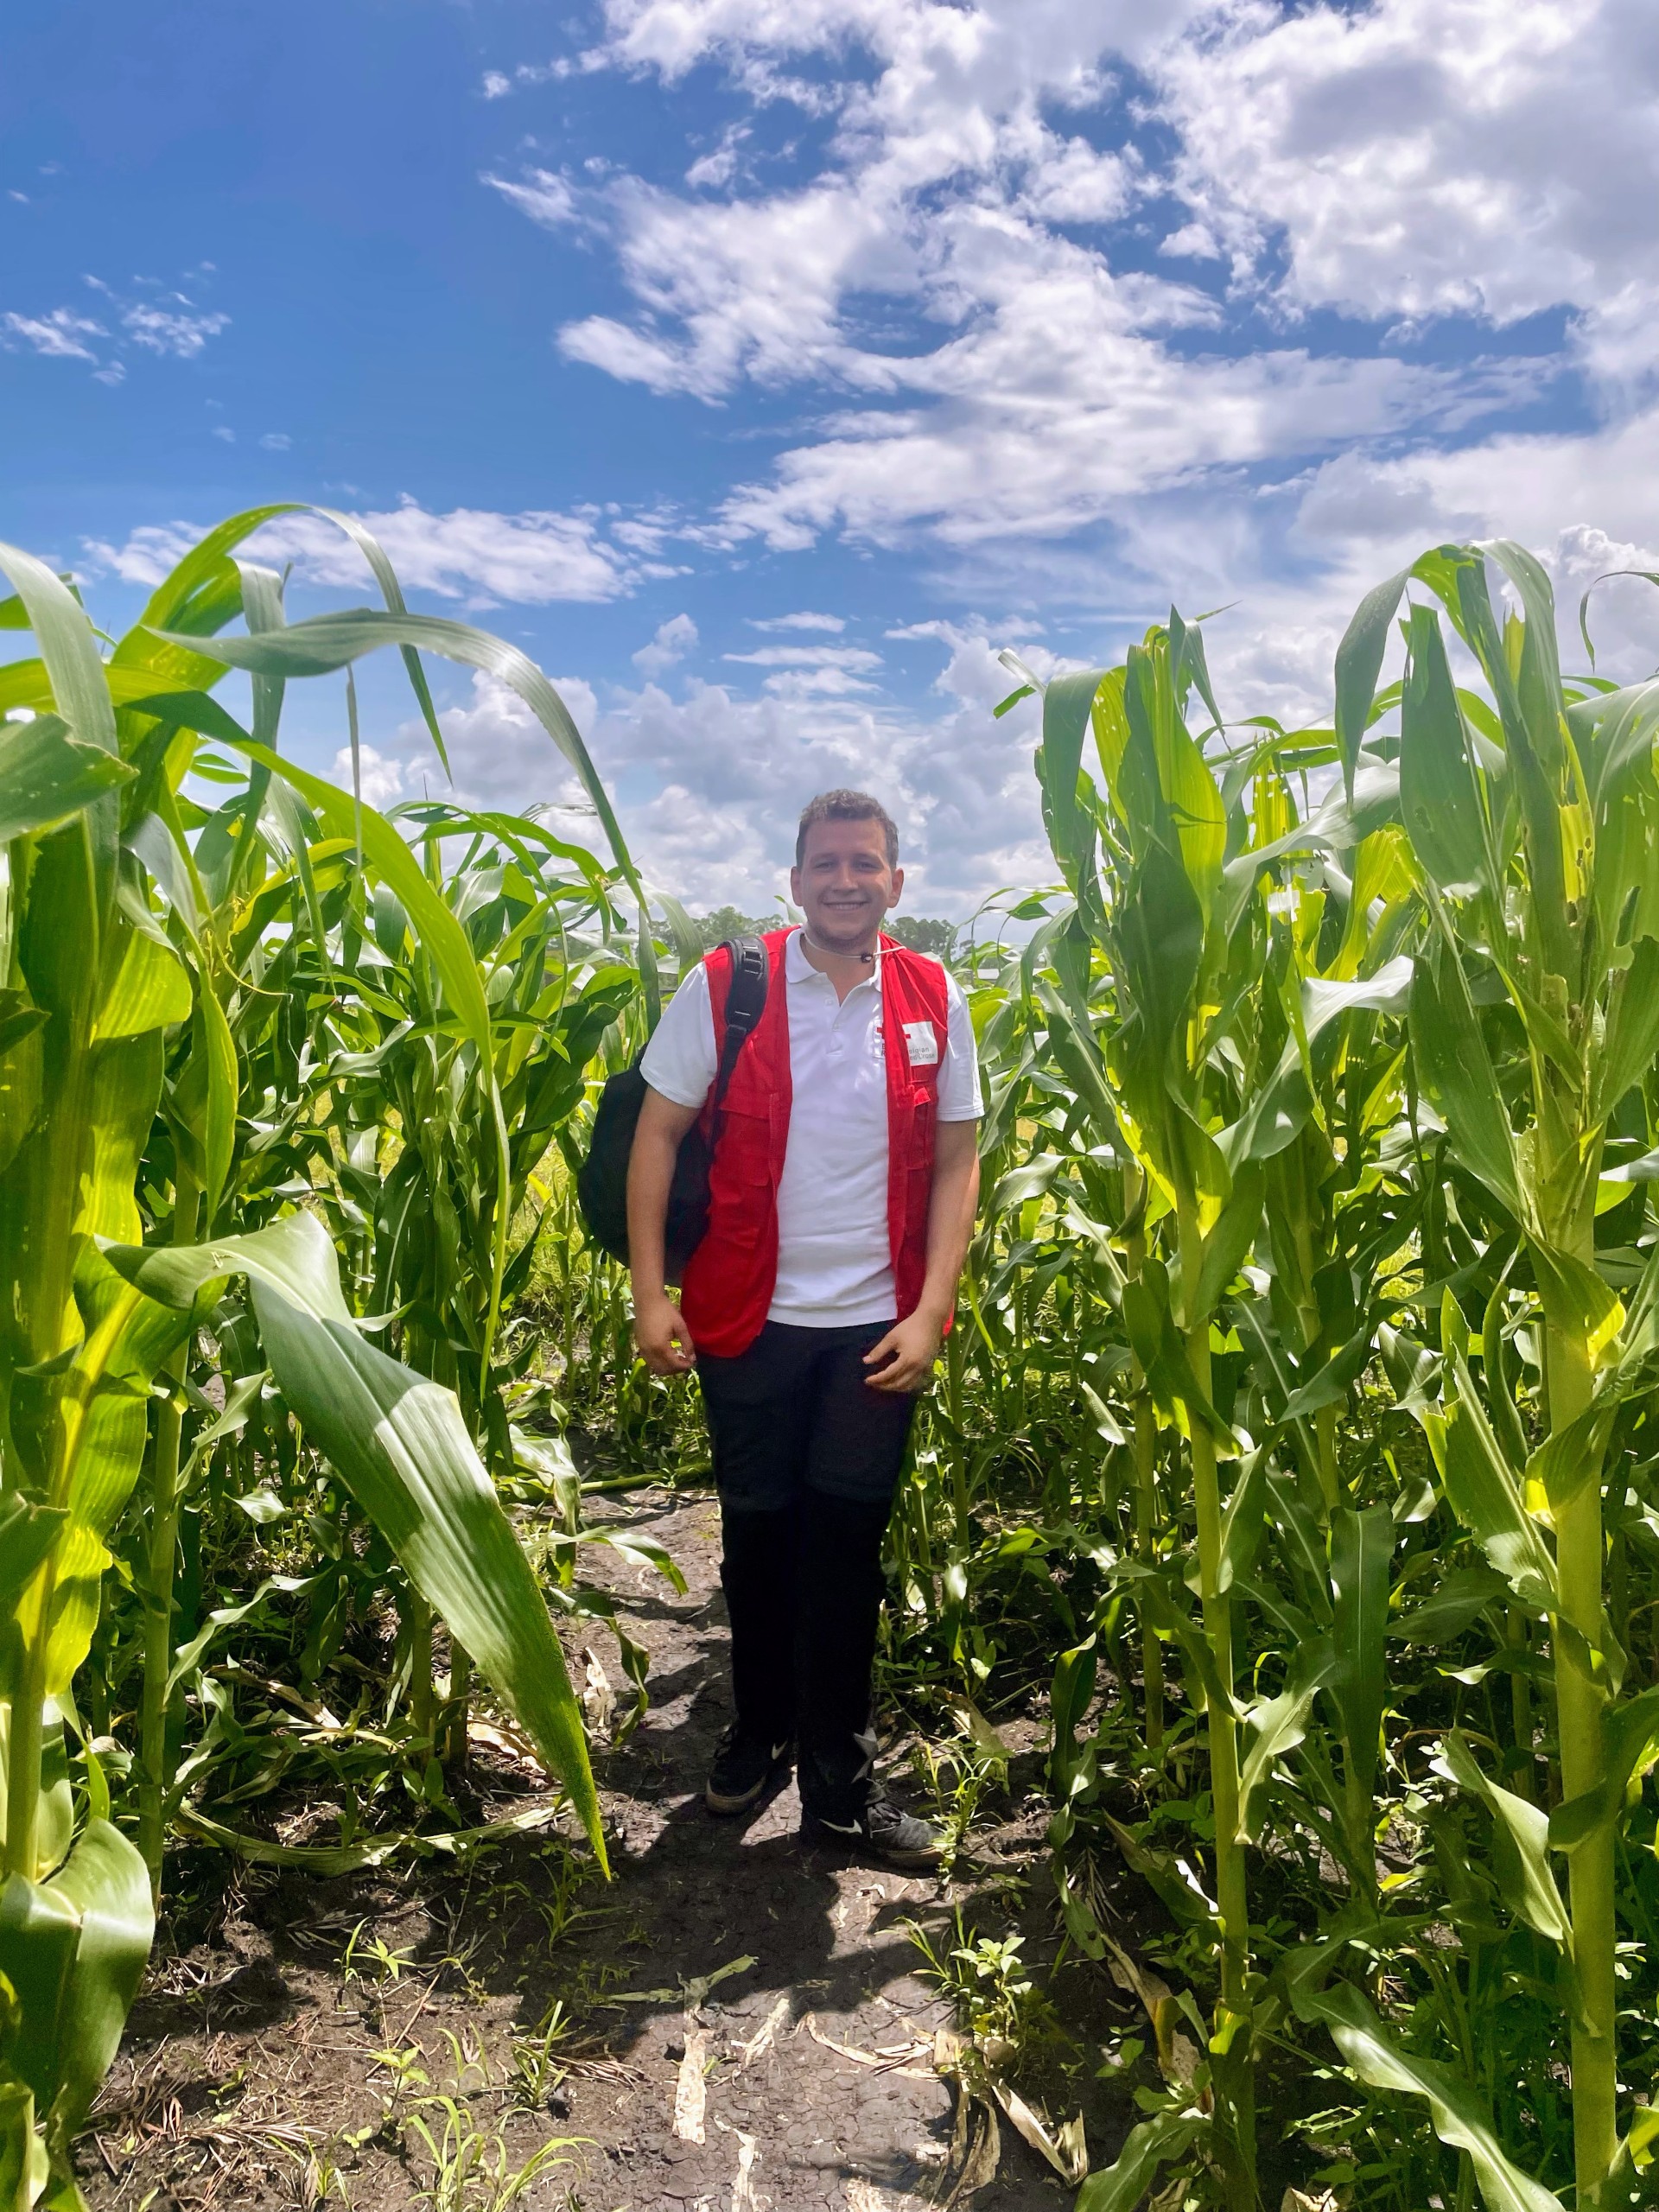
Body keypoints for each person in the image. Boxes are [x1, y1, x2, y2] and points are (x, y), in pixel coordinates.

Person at [626, 790, 982, 1866]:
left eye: (864, 863)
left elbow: (960, 1156)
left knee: (847, 1551)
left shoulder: (932, 995)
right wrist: (653, 1292)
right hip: (749, 1318)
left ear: (895, 884)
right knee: (759, 1537)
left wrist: (931, 1308)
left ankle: (839, 1778)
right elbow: (656, 1134)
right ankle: (759, 1731)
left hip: (878, 1330)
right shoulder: (731, 987)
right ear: (794, 881)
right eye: (824, 863)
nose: (844, 879)